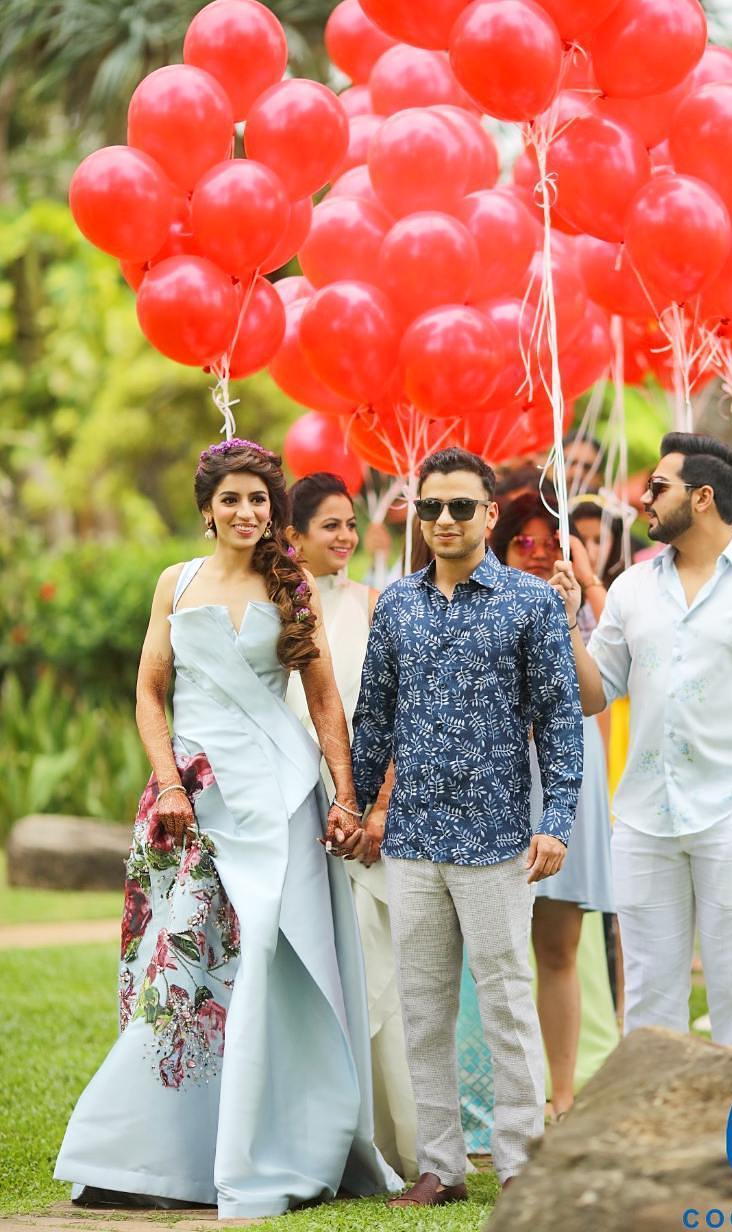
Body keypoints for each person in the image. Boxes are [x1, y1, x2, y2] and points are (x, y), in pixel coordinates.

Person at [54, 440, 400, 1217]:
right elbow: (149, 693)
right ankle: (139, 1160)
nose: (247, 514)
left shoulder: (294, 586)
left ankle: (277, 1146)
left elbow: (322, 703)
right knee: (178, 977)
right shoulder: (173, 583)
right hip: (192, 802)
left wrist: (345, 797)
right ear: (207, 508)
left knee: (270, 972)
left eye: (259, 501)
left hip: (280, 800)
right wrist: (171, 783)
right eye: (233, 500)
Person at [550, 432, 732, 1049]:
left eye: (658, 488)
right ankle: (659, 1139)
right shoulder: (629, 588)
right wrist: (568, 621)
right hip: (643, 818)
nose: (642, 500)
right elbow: (593, 694)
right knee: (650, 993)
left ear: (703, 497)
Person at [351, 447, 583, 1206]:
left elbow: (559, 721)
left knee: (510, 1003)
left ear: (489, 513)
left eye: (459, 507)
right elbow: (374, 717)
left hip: (496, 842)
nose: (443, 520)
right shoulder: (396, 604)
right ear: (417, 515)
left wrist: (557, 820)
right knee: (423, 1010)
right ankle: (441, 1168)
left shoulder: (530, 603)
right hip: (413, 839)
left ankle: (519, 1161)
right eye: (430, 508)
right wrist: (357, 806)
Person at [283, 471, 416, 1179]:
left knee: (376, 970)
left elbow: (398, 715)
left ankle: (387, 1142)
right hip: (289, 811)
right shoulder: (275, 608)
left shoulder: (376, 605)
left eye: (349, 524)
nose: (344, 537)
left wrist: (377, 806)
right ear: (292, 534)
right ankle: (310, 1141)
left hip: (364, 814)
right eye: (328, 524)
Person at [489, 491, 618, 1119]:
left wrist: (566, 617)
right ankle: (510, 1096)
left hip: (567, 779)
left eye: (553, 543)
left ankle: (562, 1097)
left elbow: (595, 698)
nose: (538, 555)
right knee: (498, 950)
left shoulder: (580, 613)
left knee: (560, 947)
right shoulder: (476, 608)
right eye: (525, 542)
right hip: (497, 780)